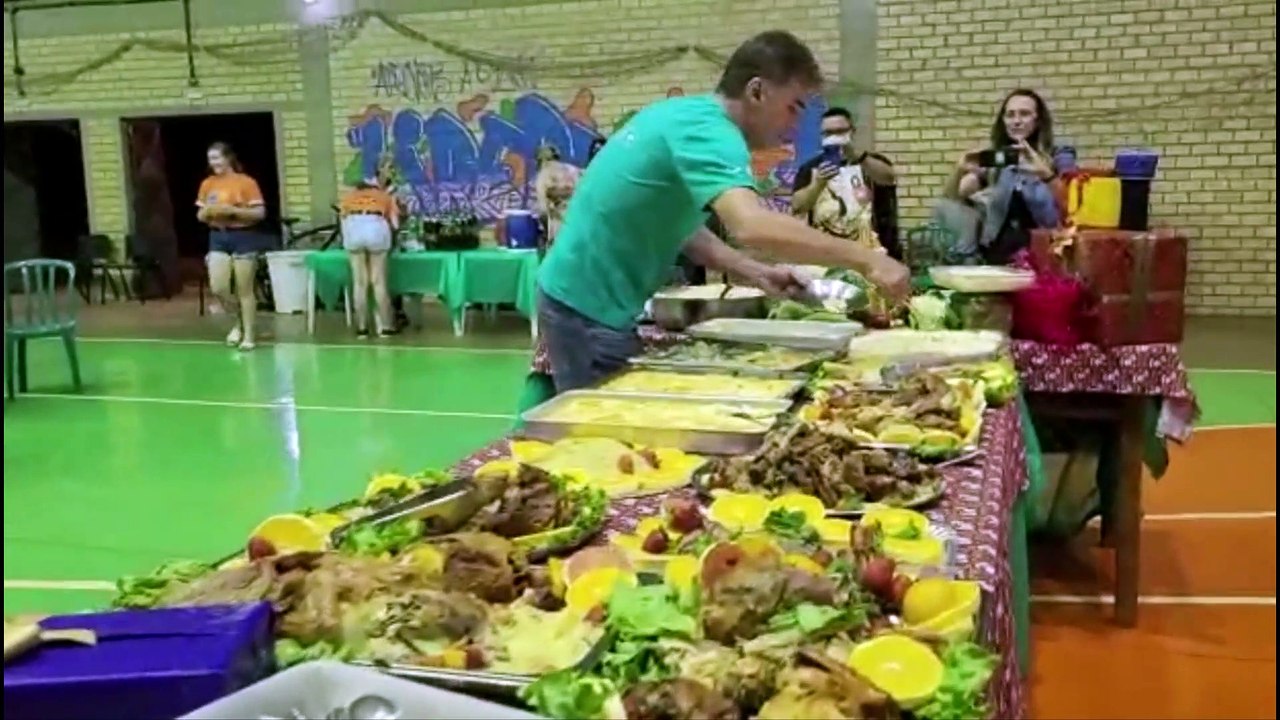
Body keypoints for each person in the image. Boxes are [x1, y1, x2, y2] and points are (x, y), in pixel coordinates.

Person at [537, 30, 910, 393]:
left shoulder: (686, 116)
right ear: (757, 91)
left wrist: (752, 270)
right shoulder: (711, 132)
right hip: (585, 308)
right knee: (606, 435)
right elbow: (752, 226)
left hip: (585, 300)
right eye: (794, 107)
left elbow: (679, 225)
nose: (796, 125)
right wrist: (866, 260)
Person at [944, 88, 1060, 264]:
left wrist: (1046, 174)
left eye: (1025, 114)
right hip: (999, 257)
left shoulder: (1058, 155)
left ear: (1038, 121)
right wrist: (960, 169)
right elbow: (955, 197)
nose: (1016, 121)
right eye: (1010, 115)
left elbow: (1073, 203)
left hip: (1044, 254)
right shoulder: (998, 160)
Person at [790, 107, 900, 258]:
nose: (835, 137)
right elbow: (798, 205)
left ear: (852, 132)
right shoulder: (811, 167)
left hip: (874, 253)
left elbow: (888, 178)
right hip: (826, 255)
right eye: (829, 133)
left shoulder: (870, 162)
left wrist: (858, 156)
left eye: (840, 131)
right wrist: (818, 184)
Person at [196, 142, 267, 351]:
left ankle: (249, 335)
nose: (214, 163)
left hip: (243, 235)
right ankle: (239, 321)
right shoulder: (207, 184)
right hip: (218, 236)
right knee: (218, 286)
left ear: (228, 158)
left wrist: (233, 211)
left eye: (217, 158)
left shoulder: (246, 182)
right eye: (211, 159)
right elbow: (199, 214)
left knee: (245, 289)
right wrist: (208, 212)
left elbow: (259, 213)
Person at [338, 175, 399, 337]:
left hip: (353, 229)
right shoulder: (384, 196)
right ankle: (386, 327)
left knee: (359, 283)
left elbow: (342, 219)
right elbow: (395, 224)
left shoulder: (349, 197)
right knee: (378, 282)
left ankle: (362, 328)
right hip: (376, 227)